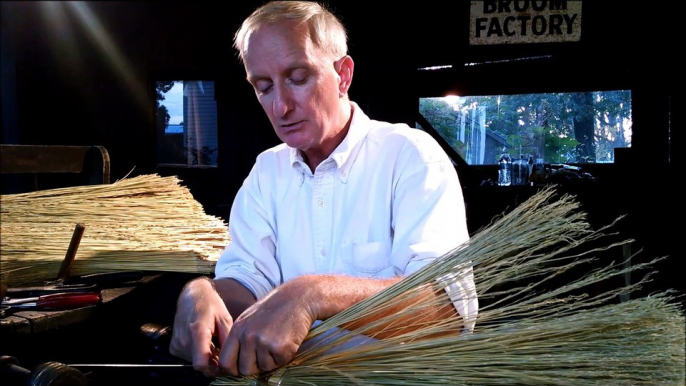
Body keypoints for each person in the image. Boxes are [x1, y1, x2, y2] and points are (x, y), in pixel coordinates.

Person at [169, 0, 478, 378]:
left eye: (298, 78)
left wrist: (313, 294)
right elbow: (247, 281)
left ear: (343, 75)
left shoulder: (409, 156)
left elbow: (444, 312)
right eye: (263, 87)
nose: (280, 106)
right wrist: (203, 291)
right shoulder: (268, 172)